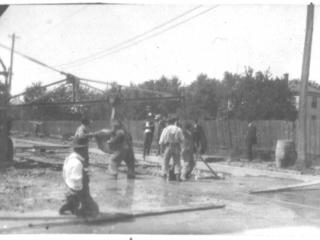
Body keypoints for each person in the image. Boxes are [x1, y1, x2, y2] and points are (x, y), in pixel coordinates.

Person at [59, 139, 90, 216]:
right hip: (74, 188)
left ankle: (70, 208)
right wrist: (80, 190)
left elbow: (64, 172)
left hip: (68, 184)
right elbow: (77, 178)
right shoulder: (77, 163)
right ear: (82, 151)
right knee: (76, 202)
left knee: (72, 202)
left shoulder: (69, 159)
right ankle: (73, 210)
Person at [159, 116, 184, 181]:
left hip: (168, 146)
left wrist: (161, 151)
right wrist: (181, 149)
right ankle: (178, 178)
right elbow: (182, 140)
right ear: (174, 122)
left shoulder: (165, 129)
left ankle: (164, 178)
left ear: (168, 122)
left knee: (165, 162)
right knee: (177, 162)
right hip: (176, 146)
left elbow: (161, 141)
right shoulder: (178, 129)